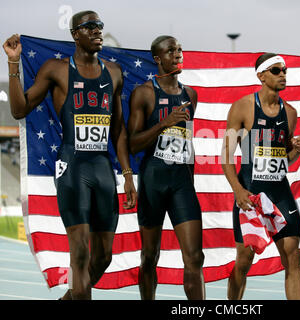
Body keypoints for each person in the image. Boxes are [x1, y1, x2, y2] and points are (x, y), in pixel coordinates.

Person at [3, 10, 137, 300]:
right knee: (78, 253)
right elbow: (18, 109)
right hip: (72, 167)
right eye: (90, 27)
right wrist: (14, 62)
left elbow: (119, 130)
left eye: (100, 26)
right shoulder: (57, 69)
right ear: (76, 34)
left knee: (103, 257)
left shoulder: (113, 72)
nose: (98, 31)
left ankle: (69, 298)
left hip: (103, 169)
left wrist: (127, 175)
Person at [221, 53, 300, 300]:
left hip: (280, 192)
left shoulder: (290, 112)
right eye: (277, 70)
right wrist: (237, 190)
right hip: (251, 194)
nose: (283, 75)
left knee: (292, 256)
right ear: (261, 75)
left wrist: (296, 150)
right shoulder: (242, 107)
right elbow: (226, 154)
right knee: (244, 260)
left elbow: (285, 159)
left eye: (285, 70)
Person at [128, 35, 205, 300]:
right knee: (150, 255)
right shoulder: (144, 93)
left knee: (195, 257)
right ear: (157, 59)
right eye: (171, 50)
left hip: (182, 182)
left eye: (180, 49)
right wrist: (164, 122)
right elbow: (132, 144)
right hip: (153, 181)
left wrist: (190, 179)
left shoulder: (190, 95)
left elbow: (188, 141)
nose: (178, 53)